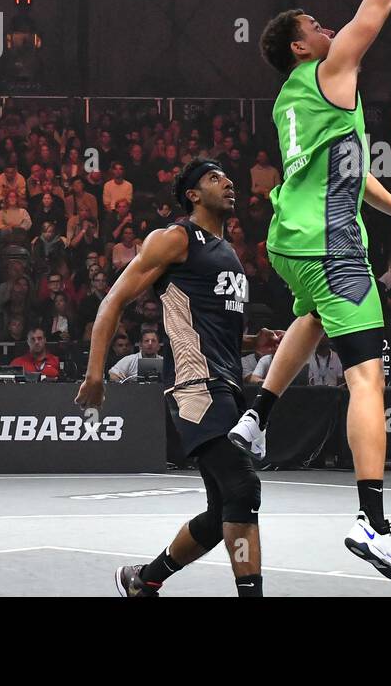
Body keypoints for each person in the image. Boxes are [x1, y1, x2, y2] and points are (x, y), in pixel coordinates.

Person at [229, 0, 391, 585]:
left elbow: (349, 171)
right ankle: (373, 524)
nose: (326, 24)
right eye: (314, 24)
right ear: (300, 47)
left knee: (310, 317)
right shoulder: (330, 69)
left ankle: (254, 418)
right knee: (366, 380)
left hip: (291, 241)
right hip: (332, 242)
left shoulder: (290, 103)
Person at [76, 160, 276, 598]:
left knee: (221, 507)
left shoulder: (228, 254)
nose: (227, 181)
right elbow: (112, 302)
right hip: (195, 387)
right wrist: (95, 374)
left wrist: (251, 344)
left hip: (226, 384)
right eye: (213, 178)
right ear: (192, 194)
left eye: (227, 175)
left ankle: (144, 579)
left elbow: (204, 325)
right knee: (244, 486)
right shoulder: (176, 238)